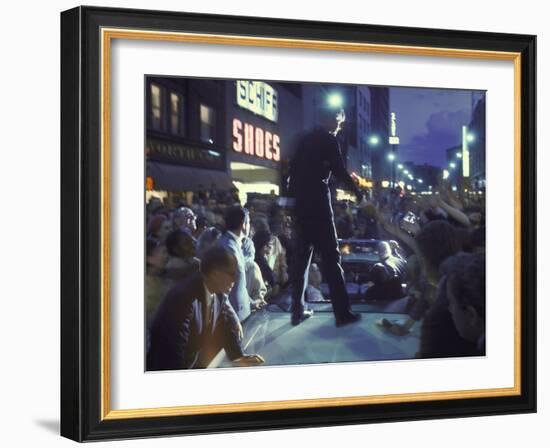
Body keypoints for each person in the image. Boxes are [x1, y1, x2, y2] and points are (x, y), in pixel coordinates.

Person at [287, 105, 362, 327]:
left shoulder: (304, 139)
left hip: (301, 206)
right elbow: (339, 171)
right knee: (331, 259)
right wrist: (357, 192)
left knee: (301, 261)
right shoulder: (329, 140)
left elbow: (291, 172)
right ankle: (342, 313)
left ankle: (297, 311)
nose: (340, 127)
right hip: (319, 203)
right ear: (331, 120)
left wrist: (291, 204)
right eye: (339, 122)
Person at [147, 246, 265, 370]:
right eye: (232, 273)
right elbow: (174, 351)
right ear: (215, 273)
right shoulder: (183, 298)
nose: (236, 279)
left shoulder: (217, 292)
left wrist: (239, 357)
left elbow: (224, 327)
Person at [217, 206, 254, 321]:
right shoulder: (228, 247)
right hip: (233, 317)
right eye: (249, 222)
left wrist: (250, 302)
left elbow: (238, 284)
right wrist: (233, 317)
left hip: (239, 313)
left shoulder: (233, 244)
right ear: (243, 224)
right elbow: (222, 289)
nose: (249, 226)